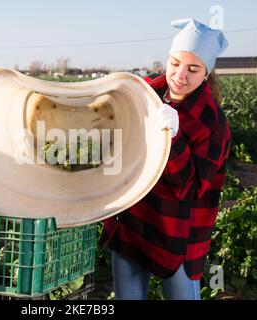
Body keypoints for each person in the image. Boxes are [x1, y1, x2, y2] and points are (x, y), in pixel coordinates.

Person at [99, 18, 232, 300]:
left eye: (193, 69)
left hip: (178, 230)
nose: (180, 75)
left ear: (206, 74)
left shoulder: (212, 123)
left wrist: (175, 138)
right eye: (175, 63)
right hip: (135, 219)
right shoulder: (145, 93)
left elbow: (193, 190)